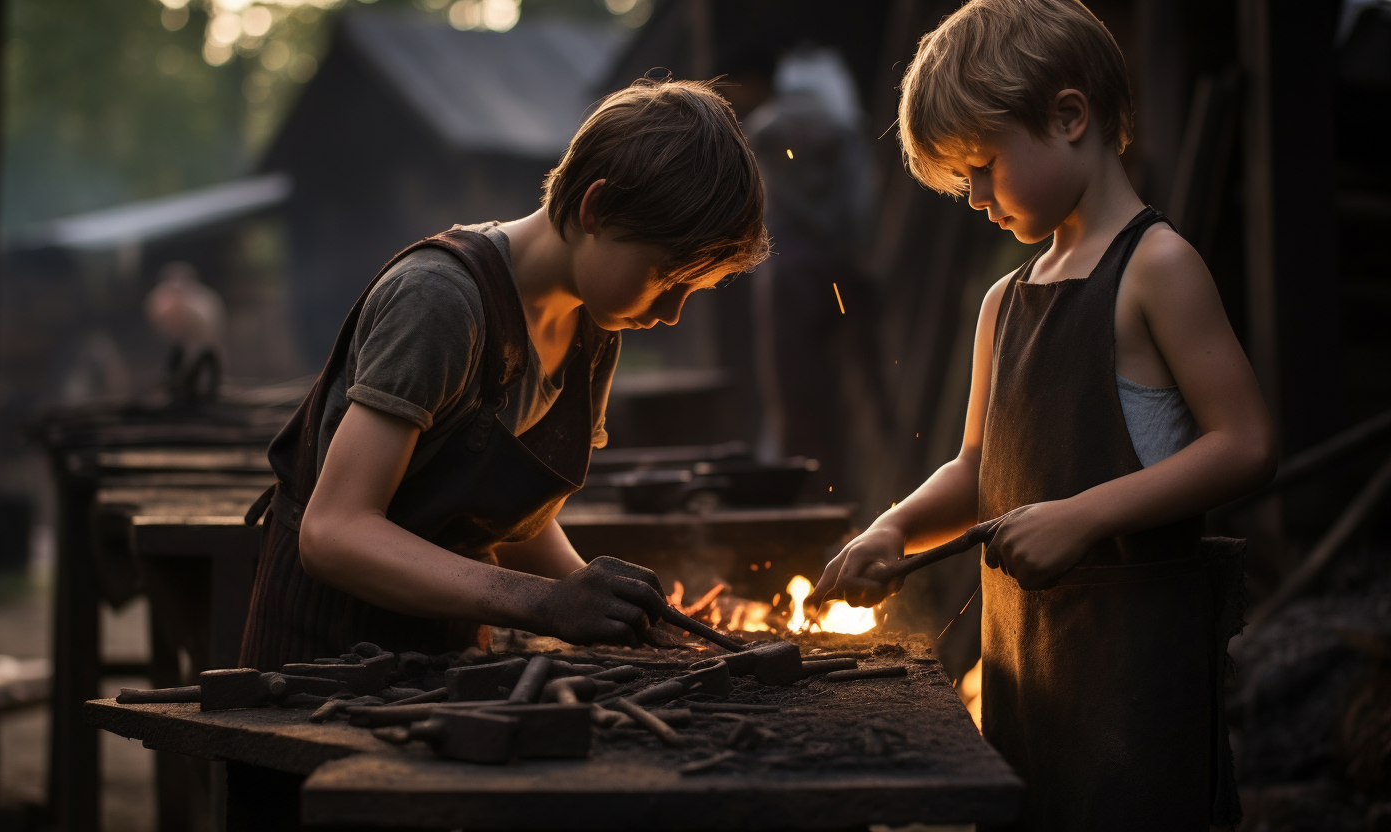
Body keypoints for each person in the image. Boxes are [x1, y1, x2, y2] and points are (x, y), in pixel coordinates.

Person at [806, 2, 1276, 829]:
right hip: (1023, 667)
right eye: (963, 178)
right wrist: (892, 528)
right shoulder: (1005, 301)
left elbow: (1246, 444)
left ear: (1068, 116)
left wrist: (1082, 517)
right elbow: (975, 470)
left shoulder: (1159, 268)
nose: (978, 196)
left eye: (985, 164)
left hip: (1138, 677)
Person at [240, 79, 769, 669]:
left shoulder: (595, 330)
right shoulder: (440, 302)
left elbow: (507, 517)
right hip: (320, 655)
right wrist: (545, 603)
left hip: (444, 654)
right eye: (666, 279)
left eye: (691, 292)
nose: (671, 314)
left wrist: (609, 606)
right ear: (595, 208)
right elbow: (335, 533)